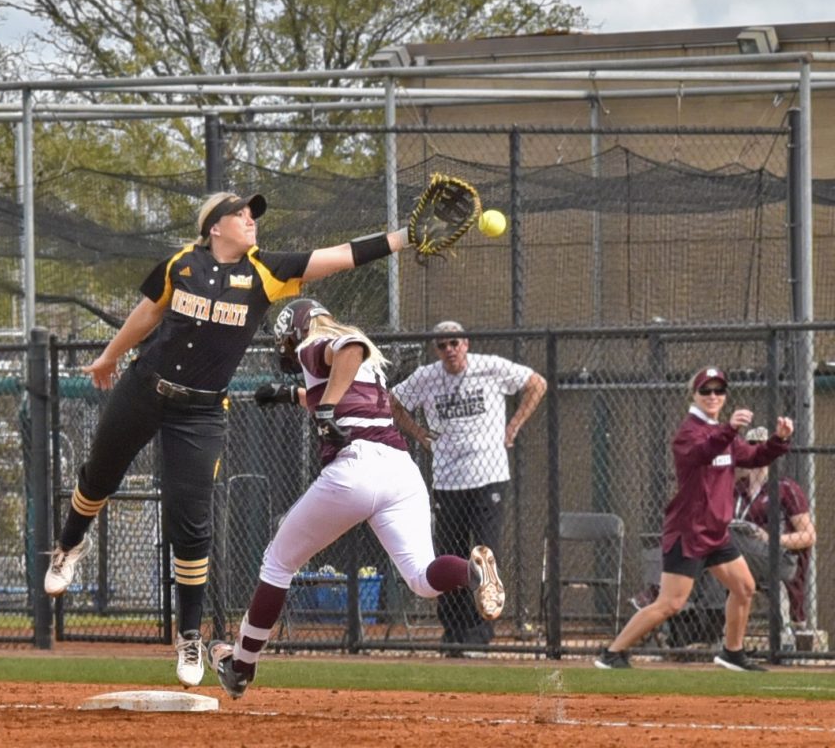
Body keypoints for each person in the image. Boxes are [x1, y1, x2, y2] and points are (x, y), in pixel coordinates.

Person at [42, 191, 416, 687]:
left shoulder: (264, 272)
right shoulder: (181, 264)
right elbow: (148, 313)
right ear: (214, 227)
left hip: (199, 411)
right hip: (145, 387)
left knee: (190, 521)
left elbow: (341, 255)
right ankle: (69, 546)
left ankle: (189, 636)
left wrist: (405, 238)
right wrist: (110, 356)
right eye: (241, 215)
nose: (250, 220)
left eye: (252, 215)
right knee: (100, 473)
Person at [205, 299, 505, 699]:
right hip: (401, 470)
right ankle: (472, 573)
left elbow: (349, 347)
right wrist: (291, 395)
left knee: (278, 564)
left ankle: (240, 667)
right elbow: (346, 390)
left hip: (355, 468)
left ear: (296, 328)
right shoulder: (360, 368)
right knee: (421, 577)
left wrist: (324, 406)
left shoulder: (317, 341)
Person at [595, 367, 793, 672]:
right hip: (689, 532)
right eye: (706, 391)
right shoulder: (689, 432)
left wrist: (779, 440)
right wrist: (729, 429)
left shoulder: (721, 432)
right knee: (670, 604)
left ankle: (732, 652)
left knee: (744, 588)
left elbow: (753, 457)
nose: (713, 396)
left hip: (716, 532)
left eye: (719, 391)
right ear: (694, 395)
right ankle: (612, 653)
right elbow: (703, 451)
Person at [388, 321, 545, 649]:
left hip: (489, 477)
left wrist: (513, 426)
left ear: (466, 344)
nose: (449, 350)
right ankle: (454, 634)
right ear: (437, 350)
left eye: (454, 343)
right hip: (447, 479)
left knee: (484, 552)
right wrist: (419, 434)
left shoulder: (490, 367)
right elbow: (394, 402)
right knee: (450, 555)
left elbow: (537, 384)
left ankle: (480, 632)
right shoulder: (428, 376)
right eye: (442, 345)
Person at [732, 425, 815, 638]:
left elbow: (809, 535)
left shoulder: (786, 487)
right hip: (742, 557)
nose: (757, 448)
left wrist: (772, 538)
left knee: (719, 542)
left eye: (762, 444)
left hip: (779, 557)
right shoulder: (738, 489)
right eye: (752, 445)